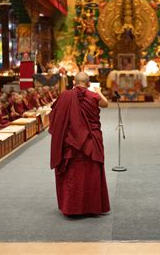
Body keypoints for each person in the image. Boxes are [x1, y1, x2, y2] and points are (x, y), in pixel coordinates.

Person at [49, 71, 110, 216]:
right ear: (88, 83)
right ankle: (92, 206)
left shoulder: (65, 96)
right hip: (90, 140)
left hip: (71, 142)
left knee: (73, 173)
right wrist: (99, 92)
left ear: (73, 83)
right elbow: (105, 104)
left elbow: (56, 117)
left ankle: (72, 207)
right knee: (91, 172)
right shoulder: (93, 96)